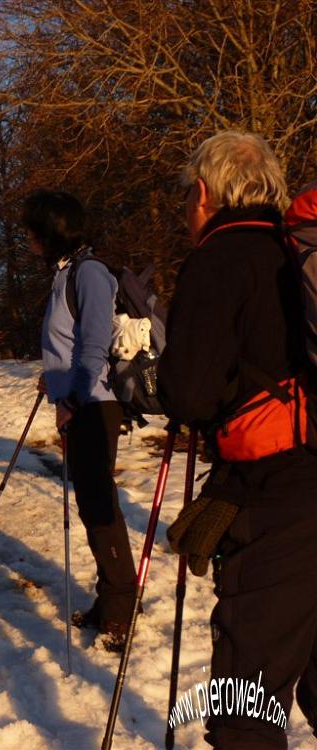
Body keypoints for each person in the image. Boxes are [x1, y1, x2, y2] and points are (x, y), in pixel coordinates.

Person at [158, 130, 317, 749]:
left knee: (245, 710)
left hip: (279, 498)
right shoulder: (295, 249)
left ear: (204, 192)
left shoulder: (220, 257)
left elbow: (190, 393)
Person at [23, 189, 137, 652]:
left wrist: (71, 394)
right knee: (93, 505)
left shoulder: (89, 273)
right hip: (77, 400)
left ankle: (121, 608)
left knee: (99, 508)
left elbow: (92, 346)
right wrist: (53, 380)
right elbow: (67, 346)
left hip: (94, 404)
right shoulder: (67, 273)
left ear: (52, 230)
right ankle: (109, 599)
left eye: (32, 229)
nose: (27, 237)